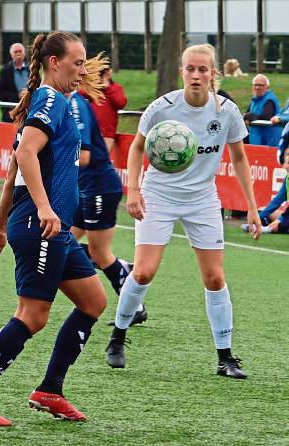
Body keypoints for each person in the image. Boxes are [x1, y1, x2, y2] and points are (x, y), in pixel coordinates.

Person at [0, 31, 107, 426]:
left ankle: (50, 389)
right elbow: (24, 154)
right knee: (33, 315)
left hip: (46, 227)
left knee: (93, 301)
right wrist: (44, 208)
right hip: (42, 225)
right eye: (76, 61)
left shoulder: (56, 102)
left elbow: (11, 175)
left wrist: (0, 225)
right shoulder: (50, 99)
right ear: (54, 62)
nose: (82, 68)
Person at [105, 44, 262, 379]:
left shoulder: (227, 111)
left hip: (202, 199)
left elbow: (239, 158)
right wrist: (132, 191)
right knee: (145, 271)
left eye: (202, 70)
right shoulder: (162, 108)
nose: (196, 75)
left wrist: (251, 206)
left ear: (213, 75)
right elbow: (135, 148)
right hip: (159, 195)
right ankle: (117, 336)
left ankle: (226, 357)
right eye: (190, 69)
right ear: (182, 72)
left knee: (215, 277)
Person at [68, 55, 147, 326]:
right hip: (87, 187)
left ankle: (132, 303)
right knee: (63, 240)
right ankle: (121, 267)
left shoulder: (76, 103)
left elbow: (84, 156)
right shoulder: (72, 100)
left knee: (99, 253)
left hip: (98, 187)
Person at [81, 58, 127, 153]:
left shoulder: (116, 88)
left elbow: (120, 103)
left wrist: (107, 87)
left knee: (102, 156)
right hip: (90, 129)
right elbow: (80, 94)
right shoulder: (93, 89)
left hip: (107, 132)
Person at [242, 145, 289, 234]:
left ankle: (272, 228)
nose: (286, 164)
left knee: (281, 221)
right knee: (269, 213)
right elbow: (276, 201)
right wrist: (258, 218)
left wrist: (280, 220)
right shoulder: (287, 179)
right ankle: (263, 225)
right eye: (287, 156)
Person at [243, 74, 282, 146]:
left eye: (260, 85)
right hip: (258, 139)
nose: (257, 87)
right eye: (255, 85)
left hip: (270, 141)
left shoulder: (269, 100)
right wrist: (248, 116)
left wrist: (250, 116)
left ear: (267, 87)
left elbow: (267, 117)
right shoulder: (255, 99)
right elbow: (246, 114)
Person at [0, 43, 29, 122]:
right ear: (11, 54)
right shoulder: (5, 70)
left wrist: (28, 94)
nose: (18, 54)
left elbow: (40, 88)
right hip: (10, 115)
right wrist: (17, 96)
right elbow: (0, 93)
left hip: (29, 114)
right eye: (15, 52)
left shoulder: (32, 69)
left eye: (20, 51)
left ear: (24, 53)